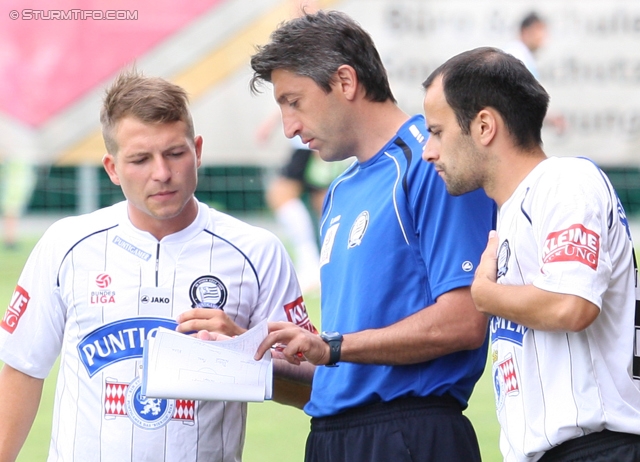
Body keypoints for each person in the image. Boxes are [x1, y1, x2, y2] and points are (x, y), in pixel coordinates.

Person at [0, 70, 316, 462]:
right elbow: (22, 368)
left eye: (175, 153)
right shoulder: (66, 245)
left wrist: (243, 352)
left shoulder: (258, 252)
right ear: (112, 168)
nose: (162, 173)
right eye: (140, 159)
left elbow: (314, 390)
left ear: (197, 150)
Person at [248, 10, 496, 462]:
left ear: (345, 81)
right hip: (331, 438)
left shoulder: (431, 161)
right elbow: (341, 374)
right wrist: (243, 349)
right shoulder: (341, 190)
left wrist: (335, 346)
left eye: (294, 101)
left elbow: (464, 321)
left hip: (410, 436)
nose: (288, 127)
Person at [422, 47, 640, 461]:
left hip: (597, 448)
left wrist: (485, 296)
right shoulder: (514, 212)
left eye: (437, 131)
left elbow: (570, 304)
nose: (428, 151)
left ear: (484, 126)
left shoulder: (564, 182)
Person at [257, 112, 351, 293]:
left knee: (284, 196)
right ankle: (321, 268)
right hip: (312, 144)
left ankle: (312, 266)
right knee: (325, 206)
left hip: (310, 146)